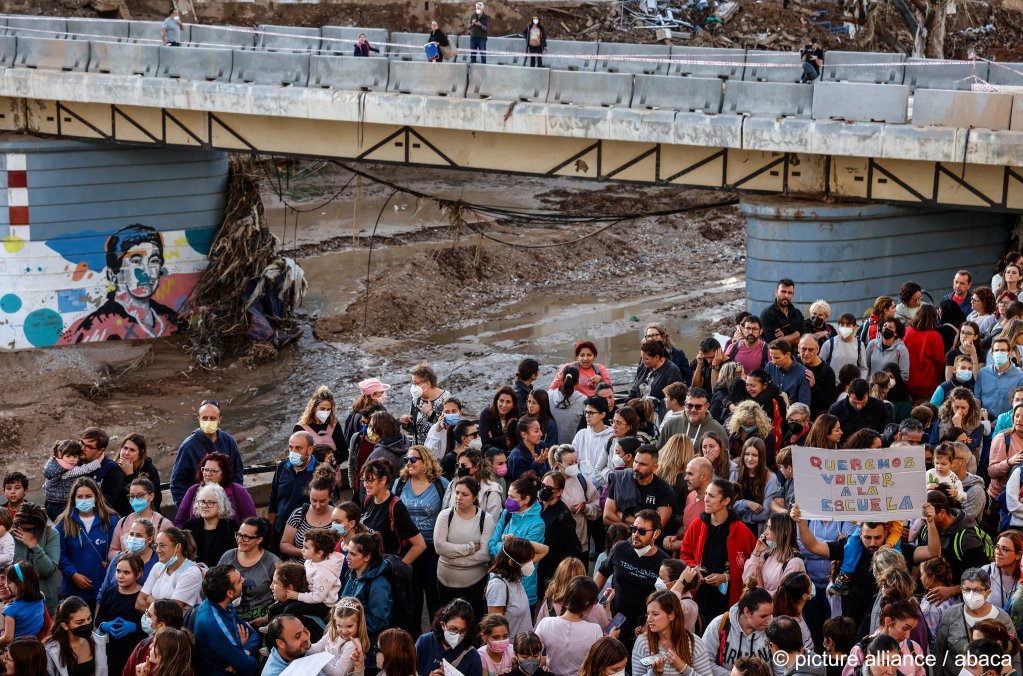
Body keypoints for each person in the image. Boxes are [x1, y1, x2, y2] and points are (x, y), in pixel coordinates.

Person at [790, 503, 939, 631]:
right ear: (860, 533)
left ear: (886, 533)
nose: (873, 543)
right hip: (853, 624)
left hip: (886, 625)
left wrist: (931, 523)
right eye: (867, 537)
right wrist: (801, 523)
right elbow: (813, 546)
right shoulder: (848, 547)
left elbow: (932, 552)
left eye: (877, 537)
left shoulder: (897, 551)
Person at [679, 480, 757, 622]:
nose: (706, 499)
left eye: (712, 496)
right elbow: (685, 554)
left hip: (726, 599)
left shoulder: (742, 531)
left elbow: (752, 568)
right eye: (706, 494)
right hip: (698, 594)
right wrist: (694, 570)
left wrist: (726, 577)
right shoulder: (697, 524)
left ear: (726, 500)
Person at [595, 509, 668, 647]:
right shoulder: (620, 548)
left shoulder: (663, 562)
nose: (635, 534)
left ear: (656, 533)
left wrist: (648, 626)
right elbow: (602, 573)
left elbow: (664, 600)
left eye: (642, 531)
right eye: (634, 529)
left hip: (641, 628)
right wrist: (589, 601)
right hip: (613, 622)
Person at [393, 446, 447, 620]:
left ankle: (436, 634)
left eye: (413, 459)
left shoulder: (441, 484)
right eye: (406, 460)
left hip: (431, 547)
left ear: (426, 462)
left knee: (434, 595)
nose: (408, 463)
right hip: (407, 545)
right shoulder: (400, 483)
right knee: (411, 594)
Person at [935, 567, 1019, 676]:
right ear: (961, 589)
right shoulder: (951, 615)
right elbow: (939, 653)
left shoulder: (1002, 618)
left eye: (976, 590)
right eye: (966, 590)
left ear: (988, 592)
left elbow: (1014, 658)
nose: (971, 595)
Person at [435, 476, 496, 618]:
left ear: (474, 497)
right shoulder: (445, 515)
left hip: (474, 584)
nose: (458, 497)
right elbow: (439, 547)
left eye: (464, 494)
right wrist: (469, 548)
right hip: (445, 582)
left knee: (472, 623)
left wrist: (453, 561)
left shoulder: (485, 519)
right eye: (457, 492)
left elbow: (485, 554)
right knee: (447, 621)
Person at [56, 477, 118, 610]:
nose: (84, 500)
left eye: (88, 496)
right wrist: (73, 574)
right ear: (74, 499)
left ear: (96, 497)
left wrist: (111, 564)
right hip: (74, 591)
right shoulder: (64, 523)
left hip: (105, 589)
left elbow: (119, 548)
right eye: (80, 496)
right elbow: (60, 555)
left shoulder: (111, 520)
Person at [169, 400, 244, 507]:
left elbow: (238, 471)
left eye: (213, 418)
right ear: (198, 419)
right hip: (201, 507)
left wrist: (234, 499)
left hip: (226, 504)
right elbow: (177, 482)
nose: (208, 421)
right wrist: (187, 509)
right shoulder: (189, 446)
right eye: (204, 418)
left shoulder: (228, 441)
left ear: (219, 420)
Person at [487, 474, 545, 605]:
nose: (508, 500)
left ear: (526, 500)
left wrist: (502, 547)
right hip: (499, 584)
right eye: (508, 495)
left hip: (523, 589)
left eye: (512, 497)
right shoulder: (507, 513)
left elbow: (520, 557)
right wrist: (507, 548)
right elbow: (491, 545)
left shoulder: (537, 524)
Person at [193, 565, 260, 676]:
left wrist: (245, 651)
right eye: (239, 581)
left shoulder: (221, 605)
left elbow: (254, 635)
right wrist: (241, 653)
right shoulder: (215, 624)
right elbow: (250, 667)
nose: (243, 581)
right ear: (229, 593)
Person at [359, 458, 426, 567]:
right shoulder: (368, 500)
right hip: (367, 566)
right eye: (364, 480)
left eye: (370, 480)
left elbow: (420, 545)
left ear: (383, 480)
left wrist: (397, 568)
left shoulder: (396, 507)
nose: (365, 485)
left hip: (383, 571)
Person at [534, 577, 606, 676]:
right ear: (588, 604)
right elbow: (599, 663)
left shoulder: (545, 623)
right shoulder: (595, 630)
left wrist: (550, 661)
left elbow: (530, 656)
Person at [216, 517, 280, 628]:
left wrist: (267, 617)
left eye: (246, 537)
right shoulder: (228, 556)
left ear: (259, 540)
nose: (240, 539)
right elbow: (215, 586)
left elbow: (284, 595)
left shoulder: (272, 563)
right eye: (239, 534)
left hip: (259, 621)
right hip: (228, 617)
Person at [632, 589, 711, 676]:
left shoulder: (694, 643)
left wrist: (683, 668)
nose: (649, 619)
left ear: (672, 615)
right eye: (648, 614)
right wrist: (654, 673)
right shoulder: (642, 642)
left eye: (655, 614)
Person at [701, 585, 774, 676]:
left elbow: (781, 667)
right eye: (763, 616)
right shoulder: (720, 624)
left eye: (771, 614)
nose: (769, 620)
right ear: (747, 612)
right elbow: (704, 663)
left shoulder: (773, 629)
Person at [173, 451, 256, 528]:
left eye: (214, 471)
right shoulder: (193, 490)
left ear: (224, 473)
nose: (208, 474)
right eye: (205, 470)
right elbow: (179, 521)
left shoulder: (238, 491)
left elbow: (252, 522)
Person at [486, 536, 548, 637]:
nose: (530, 564)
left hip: (524, 647)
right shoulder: (498, 586)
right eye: (527, 561)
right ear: (512, 563)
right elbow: (495, 627)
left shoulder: (515, 576)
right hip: (511, 649)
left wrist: (516, 539)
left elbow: (544, 550)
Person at [95, 555, 144, 676]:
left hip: (135, 653)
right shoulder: (109, 592)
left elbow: (151, 626)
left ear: (138, 575)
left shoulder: (143, 597)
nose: (120, 576)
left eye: (126, 572)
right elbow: (98, 619)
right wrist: (105, 625)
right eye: (118, 571)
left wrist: (135, 627)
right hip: (111, 653)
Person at [603, 446, 674, 531]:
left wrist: (625, 517)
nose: (636, 467)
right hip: (618, 538)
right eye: (635, 462)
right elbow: (607, 517)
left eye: (642, 464)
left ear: (655, 467)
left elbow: (657, 527)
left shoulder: (665, 490)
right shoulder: (621, 479)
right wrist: (629, 528)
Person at [341, 532, 392, 646]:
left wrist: (350, 625)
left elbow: (379, 621)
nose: (347, 557)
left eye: (353, 554)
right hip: (348, 636)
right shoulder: (351, 574)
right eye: (348, 552)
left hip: (366, 643)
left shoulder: (378, 584)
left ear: (367, 557)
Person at [135, 527, 203, 612]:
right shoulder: (158, 566)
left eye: (163, 546)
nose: (158, 550)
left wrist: (150, 600)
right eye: (156, 546)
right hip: (153, 624)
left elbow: (170, 613)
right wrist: (158, 607)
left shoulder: (191, 573)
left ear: (178, 547)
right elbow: (139, 603)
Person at [536, 471, 583, 593]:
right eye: (542, 485)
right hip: (535, 567)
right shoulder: (536, 506)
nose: (544, 489)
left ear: (559, 492)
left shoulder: (564, 516)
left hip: (551, 571)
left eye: (549, 488)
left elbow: (570, 549)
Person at [11, 502, 61, 615]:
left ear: (40, 527)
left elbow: (49, 569)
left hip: (45, 604)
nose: (26, 533)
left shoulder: (51, 534)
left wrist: (34, 546)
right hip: (17, 601)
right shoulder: (11, 536)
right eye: (23, 529)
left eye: (31, 530)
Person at [415, 599, 483, 676]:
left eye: (463, 631)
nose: (457, 635)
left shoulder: (472, 656)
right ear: (443, 625)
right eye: (453, 629)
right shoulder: (425, 642)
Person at [268, 431, 318, 536]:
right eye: (291, 448)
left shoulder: (320, 472)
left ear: (310, 450)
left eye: (298, 448)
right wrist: (270, 528)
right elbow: (274, 497)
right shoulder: (282, 467)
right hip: (279, 530)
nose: (293, 452)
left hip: (304, 535)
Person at [742, 514, 806, 595]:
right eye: (767, 527)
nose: (765, 533)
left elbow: (784, 597)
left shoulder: (795, 562)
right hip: (760, 605)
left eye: (771, 528)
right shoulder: (766, 553)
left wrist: (760, 591)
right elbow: (747, 580)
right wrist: (756, 551)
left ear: (785, 532)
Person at [44, 596, 108, 676]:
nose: (87, 624)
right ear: (65, 626)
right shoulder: (50, 649)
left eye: (89, 618)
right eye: (80, 622)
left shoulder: (97, 642)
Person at [307, 597, 370, 676]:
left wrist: (319, 659)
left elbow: (337, 673)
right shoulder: (333, 631)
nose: (343, 631)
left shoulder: (352, 645)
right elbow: (317, 647)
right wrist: (306, 646)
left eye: (349, 626)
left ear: (359, 623)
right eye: (339, 625)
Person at [108, 479, 167, 561]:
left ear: (151, 496)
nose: (135, 500)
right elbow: (112, 552)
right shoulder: (122, 522)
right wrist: (126, 557)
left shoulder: (163, 524)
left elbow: (169, 553)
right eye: (132, 496)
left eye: (140, 495)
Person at [181, 483, 238, 568]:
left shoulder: (231, 527)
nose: (205, 506)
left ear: (220, 505)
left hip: (221, 576)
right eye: (202, 502)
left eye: (210, 502)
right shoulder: (189, 526)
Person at [122, 599, 184, 675]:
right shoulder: (144, 645)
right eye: (146, 612)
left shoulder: (181, 657)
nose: (144, 617)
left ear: (161, 625)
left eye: (148, 615)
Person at [733, 439, 781, 535]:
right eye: (747, 454)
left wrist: (743, 516)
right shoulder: (736, 472)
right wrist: (746, 503)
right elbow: (727, 502)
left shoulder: (770, 478)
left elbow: (766, 512)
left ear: (761, 457)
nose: (750, 459)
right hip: (735, 525)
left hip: (758, 530)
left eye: (754, 455)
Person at [295, 386, 347, 472]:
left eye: (328, 409)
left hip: (332, 474)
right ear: (314, 407)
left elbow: (344, 452)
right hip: (310, 475)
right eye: (322, 409)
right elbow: (298, 456)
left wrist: (331, 457)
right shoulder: (300, 428)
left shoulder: (334, 425)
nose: (325, 412)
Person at [658, 387, 727, 451]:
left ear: (707, 407)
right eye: (689, 406)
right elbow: (659, 451)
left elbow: (725, 458)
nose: (693, 410)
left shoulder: (717, 430)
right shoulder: (671, 424)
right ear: (685, 404)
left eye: (698, 406)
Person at [110, 434, 161, 517]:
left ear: (140, 453)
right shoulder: (113, 468)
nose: (126, 453)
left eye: (132, 450)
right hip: (118, 519)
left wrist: (130, 476)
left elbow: (155, 501)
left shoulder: (148, 469)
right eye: (125, 448)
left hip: (143, 518)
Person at [443, 448, 503, 519]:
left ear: (476, 467)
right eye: (458, 465)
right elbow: (444, 511)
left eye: (463, 465)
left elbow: (493, 519)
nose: (459, 468)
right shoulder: (453, 484)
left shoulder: (491, 490)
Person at [904, 305, 947, 403]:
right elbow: (940, 361)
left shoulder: (908, 331)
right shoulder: (935, 336)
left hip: (908, 381)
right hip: (928, 383)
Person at [572, 396, 615, 492]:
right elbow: (573, 460)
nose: (587, 416)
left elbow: (610, 466)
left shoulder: (611, 437)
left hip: (602, 487)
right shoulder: (581, 434)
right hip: (580, 486)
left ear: (602, 414)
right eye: (586, 412)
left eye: (591, 413)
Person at [401, 364, 451, 446]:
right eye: (412, 383)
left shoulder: (446, 398)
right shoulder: (416, 399)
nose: (413, 387)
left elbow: (449, 427)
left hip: (438, 451)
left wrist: (430, 413)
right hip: (418, 451)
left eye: (416, 383)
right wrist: (406, 424)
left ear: (427, 384)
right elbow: (415, 431)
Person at [828, 379, 891, 443]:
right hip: (844, 449)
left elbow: (886, 432)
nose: (859, 406)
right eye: (854, 403)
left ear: (868, 395)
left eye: (863, 402)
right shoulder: (836, 409)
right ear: (848, 394)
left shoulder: (879, 406)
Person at [0, 562, 44, 644]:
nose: (6, 585)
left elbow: (8, 638)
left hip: (16, 651)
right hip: (35, 646)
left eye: (9, 582)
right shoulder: (40, 598)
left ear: (20, 583)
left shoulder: (11, 610)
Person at [631, 340, 684, 407]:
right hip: (640, 408)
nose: (642, 361)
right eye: (642, 358)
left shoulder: (672, 370)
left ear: (657, 357)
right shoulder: (644, 365)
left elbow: (673, 399)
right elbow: (634, 388)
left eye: (646, 359)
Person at [982, 530, 1022, 609]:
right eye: (997, 547)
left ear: (1018, 555)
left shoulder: (1022, 577)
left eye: (1005, 549)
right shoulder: (985, 572)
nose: (998, 552)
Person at [821, 313, 867, 378]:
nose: (845, 327)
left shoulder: (859, 345)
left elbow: (863, 368)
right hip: (833, 385)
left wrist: (860, 383)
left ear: (854, 327)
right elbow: (820, 365)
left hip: (851, 386)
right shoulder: (829, 343)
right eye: (842, 324)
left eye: (848, 324)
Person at [760, 279, 804, 347]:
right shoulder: (767, 314)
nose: (786, 295)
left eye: (790, 293)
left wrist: (785, 338)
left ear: (793, 295)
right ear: (776, 292)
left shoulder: (797, 313)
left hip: (796, 356)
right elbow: (774, 344)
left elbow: (805, 338)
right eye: (783, 292)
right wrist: (797, 334)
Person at [508, 417, 549, 482]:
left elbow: (548, 471)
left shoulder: (541, 445)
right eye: (536, 431)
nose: (541, 434)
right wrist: (537, 465)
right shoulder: (516, 456)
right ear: (524, 434)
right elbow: (523, 484)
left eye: (540, 430)